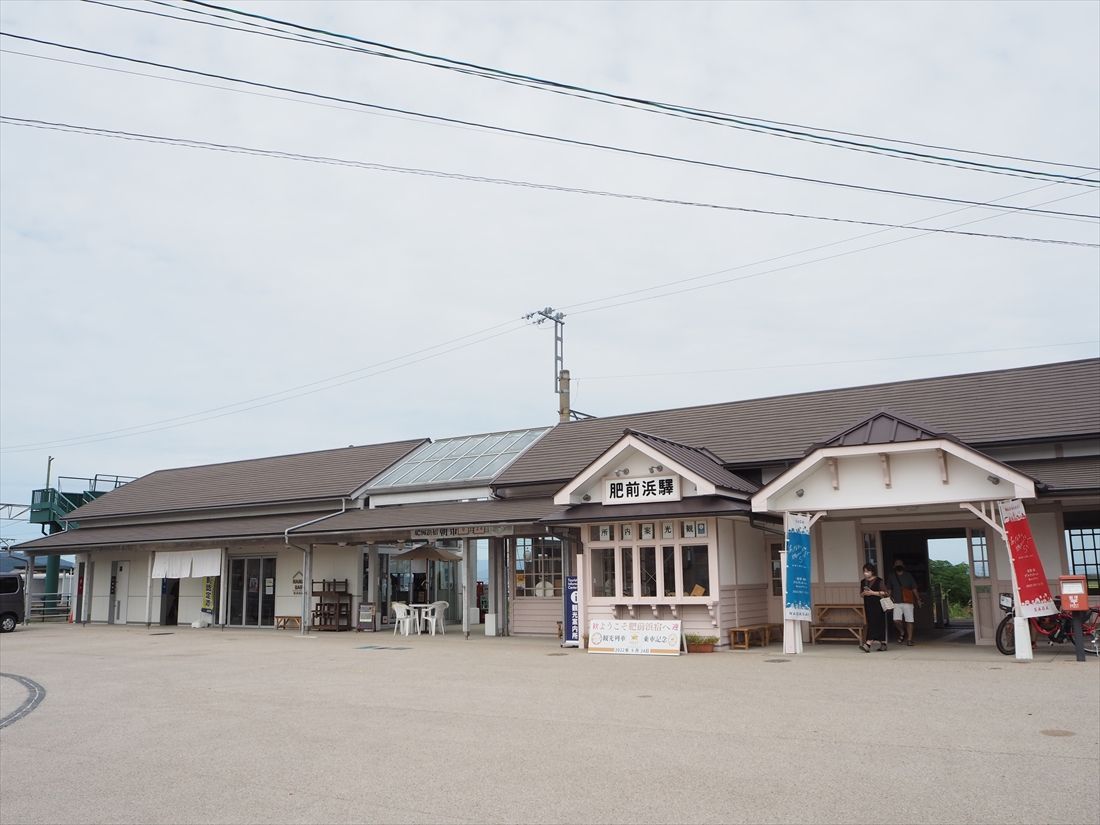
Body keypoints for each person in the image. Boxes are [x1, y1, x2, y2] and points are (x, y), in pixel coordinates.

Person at [889, 560, 923, 645]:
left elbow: (914, 588)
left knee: (909, 621)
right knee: (896, 620)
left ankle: (909, 640)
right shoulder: (891, 576)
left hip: (908, 601)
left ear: (903, 566)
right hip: (896, 602)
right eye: (897, 564)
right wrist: (887, 599)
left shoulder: (908, 575)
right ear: (894, 566)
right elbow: (889, 589)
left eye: (900, 564)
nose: (898, 565)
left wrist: (918, 599)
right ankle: (902, 631)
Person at [859, 563, 890, 652]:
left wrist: (872, 593)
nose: (865, 573)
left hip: (878, 605)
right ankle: (883, 643)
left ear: (872, 572)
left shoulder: (879, 580)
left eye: (867, 571)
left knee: (876, 623)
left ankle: (868, 644)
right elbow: (861, 594)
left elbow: (886, 593)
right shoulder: (863, 582)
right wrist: (864, 593)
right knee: (873, 623)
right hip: (868, 605)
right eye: (864, 571)